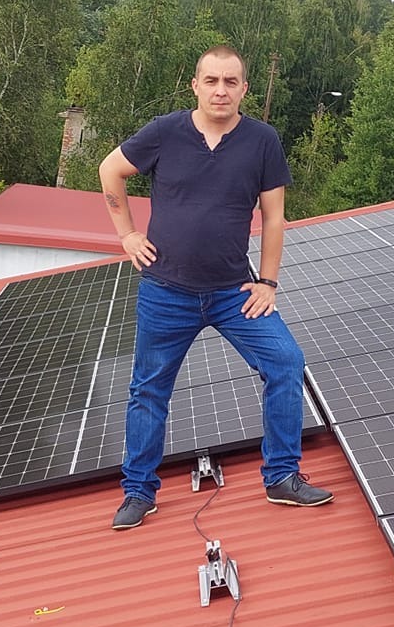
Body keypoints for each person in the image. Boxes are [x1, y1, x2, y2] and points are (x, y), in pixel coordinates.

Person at [99, 44, 334, 530]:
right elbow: (110, 170)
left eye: (231, 82)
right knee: (148, 390)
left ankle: (282, 477)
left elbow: (273, 218)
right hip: (166, 292)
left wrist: (268, 281)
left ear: (244, 88)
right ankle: (138, 492)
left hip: (234, 293)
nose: (221, 90)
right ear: (196, 85)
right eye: (212, 81)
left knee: (286, 363)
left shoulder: (262, 140)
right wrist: (126, 234)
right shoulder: (165, 132)